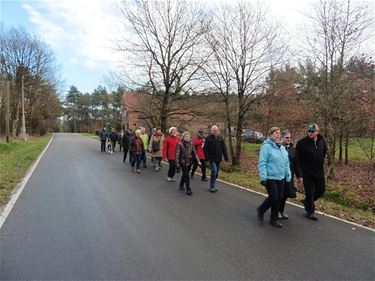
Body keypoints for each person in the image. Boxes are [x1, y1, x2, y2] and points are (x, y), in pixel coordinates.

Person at [257, 127, 291, 228]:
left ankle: (274, 219)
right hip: (270, 177)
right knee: (274, 197)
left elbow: (286, 163)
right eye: (276, 133)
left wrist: (288, 176)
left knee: (279, 198)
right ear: (270, 135)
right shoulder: (266, 146)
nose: (278, 135)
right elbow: (262, 163)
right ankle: (261, 210)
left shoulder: (282, 147)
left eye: (279, 133)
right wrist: (263, 177)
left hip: (281, 177)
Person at [296, 123, 327, 221]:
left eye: (312, 131)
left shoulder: (322, 141)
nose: (310, 133)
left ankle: (307, 202)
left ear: (317, 132)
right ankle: (310, 211)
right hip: (307, 173)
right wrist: (299, 173)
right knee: (310, 193)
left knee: (321, 190)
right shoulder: (302, 143)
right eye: (309, 131)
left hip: (319, 172)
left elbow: (323, 153)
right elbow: (297, 159)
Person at [279, 130, 303, 219]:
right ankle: (276, 210)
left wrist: (299, 175)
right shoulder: (277, 147)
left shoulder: (293, 149)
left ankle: (281, 210)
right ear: (282, 138)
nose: (289, 139)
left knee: (285, 194)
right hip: (279, 175)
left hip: (289, 175)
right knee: (279, 194)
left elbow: (296, 164)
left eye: (290, 138)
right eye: (287, 138)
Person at [203, 125, 229, 193]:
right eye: (214, 130)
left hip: (218, 158)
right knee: (214, 171)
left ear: (218, 131)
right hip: (211, 158)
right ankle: (212, 186)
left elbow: (224, 148)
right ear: (211, 131)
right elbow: (205, 149)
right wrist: (207, 158)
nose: (215, 132)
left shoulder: (220, 138)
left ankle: (213, 183)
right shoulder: (208, 138)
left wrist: (226, 157)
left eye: (216, 130)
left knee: (216, 173)